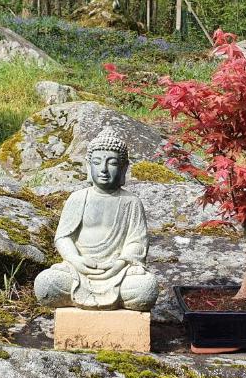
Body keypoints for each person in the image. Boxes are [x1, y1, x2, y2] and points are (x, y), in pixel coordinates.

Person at [34, 127, 159, 311]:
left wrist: (120, 263)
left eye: (112, 163)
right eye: (97, 162)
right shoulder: (78, 198)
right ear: (88, 166)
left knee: (145, 288)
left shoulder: (131, 202)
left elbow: (137, 242)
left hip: (118, 272)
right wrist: (75, 260)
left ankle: (110, 296)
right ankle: (84, 294)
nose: (103, 169)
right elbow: (63, 237)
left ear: (124, 168)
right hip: (78, 271)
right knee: (46, 283)